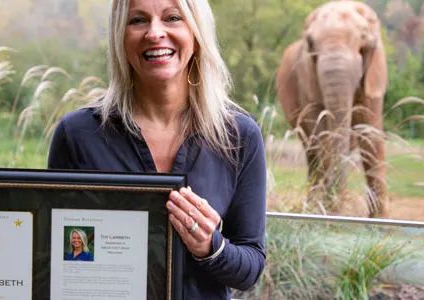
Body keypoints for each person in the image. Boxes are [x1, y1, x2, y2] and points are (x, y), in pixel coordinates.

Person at [47, 0, 267, 298]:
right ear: (119, 36)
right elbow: (55, 257)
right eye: (137, 20)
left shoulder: (239, 135)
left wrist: (210, 246)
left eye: (172, 18)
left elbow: (250, 269)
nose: (154, 33)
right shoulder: (77, 135)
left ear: (196, 32)